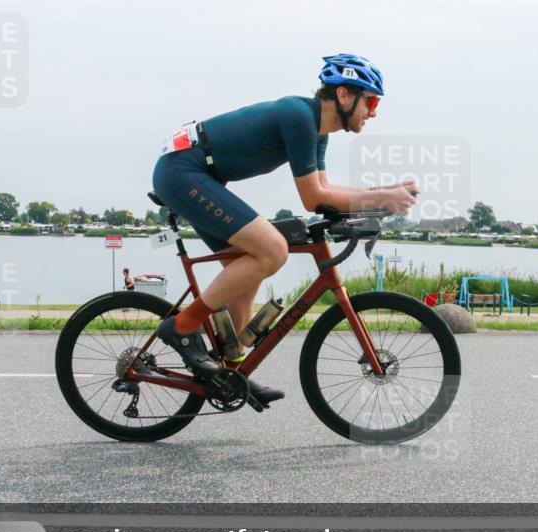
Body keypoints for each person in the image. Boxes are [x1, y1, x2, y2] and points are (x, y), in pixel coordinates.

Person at [151, 54, 416, 405]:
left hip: (198, 174)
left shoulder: (318, 132)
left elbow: (325, 193)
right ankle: (183, 326)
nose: (374, 111)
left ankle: (234, 372)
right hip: (182, 172)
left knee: (245, 266)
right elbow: (313, 197)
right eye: (371, 101)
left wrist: (379, 197)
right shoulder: (298, 116)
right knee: (272, 250)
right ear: (343, 95)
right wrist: (382, 196)